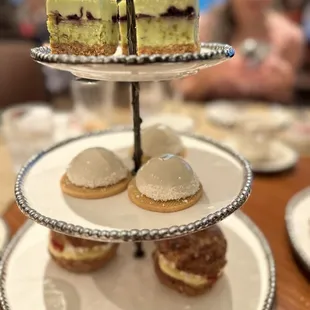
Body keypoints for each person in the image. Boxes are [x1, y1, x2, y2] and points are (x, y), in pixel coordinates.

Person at [173, 0, 305, 103]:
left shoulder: (291, 37)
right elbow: (183, 93)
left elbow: (286, 102)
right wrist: (208, 75)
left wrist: (281, 85)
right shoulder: (200, 29)